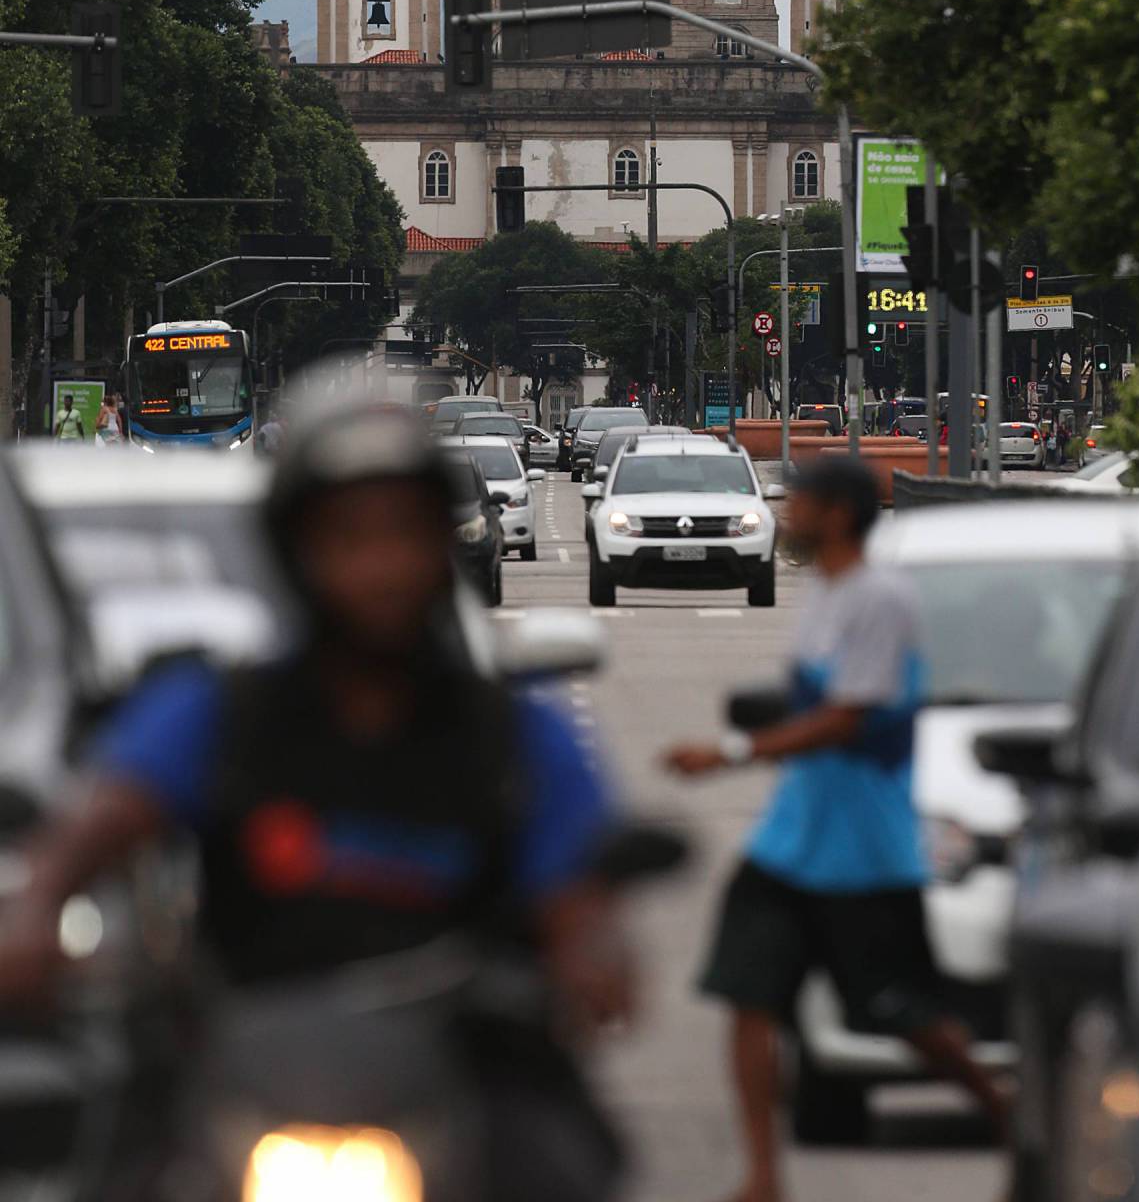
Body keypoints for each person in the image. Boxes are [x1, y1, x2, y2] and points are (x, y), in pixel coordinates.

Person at [0, 403, 631, 1162]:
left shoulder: (520, 734)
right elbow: (96, 821)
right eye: (348, 538)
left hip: (463, 1075)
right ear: (297, 554)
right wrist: (33, 912)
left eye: (404, 534)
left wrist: (592, 957)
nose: (381, 567)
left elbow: (579, 902)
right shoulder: (216, 710)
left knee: (568, 1161)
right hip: (244, 1062)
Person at [662, 457, 1008, 1202]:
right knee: (746, 994)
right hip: (792, 843)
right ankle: (763, 1176)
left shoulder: (879, 598)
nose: (789, 514)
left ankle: (1012, 1122)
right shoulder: (825, 591)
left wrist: (729, 753)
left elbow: (848, 717)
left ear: (842, 514)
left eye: (802, 503)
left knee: (905, 1019)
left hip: (863, 854)